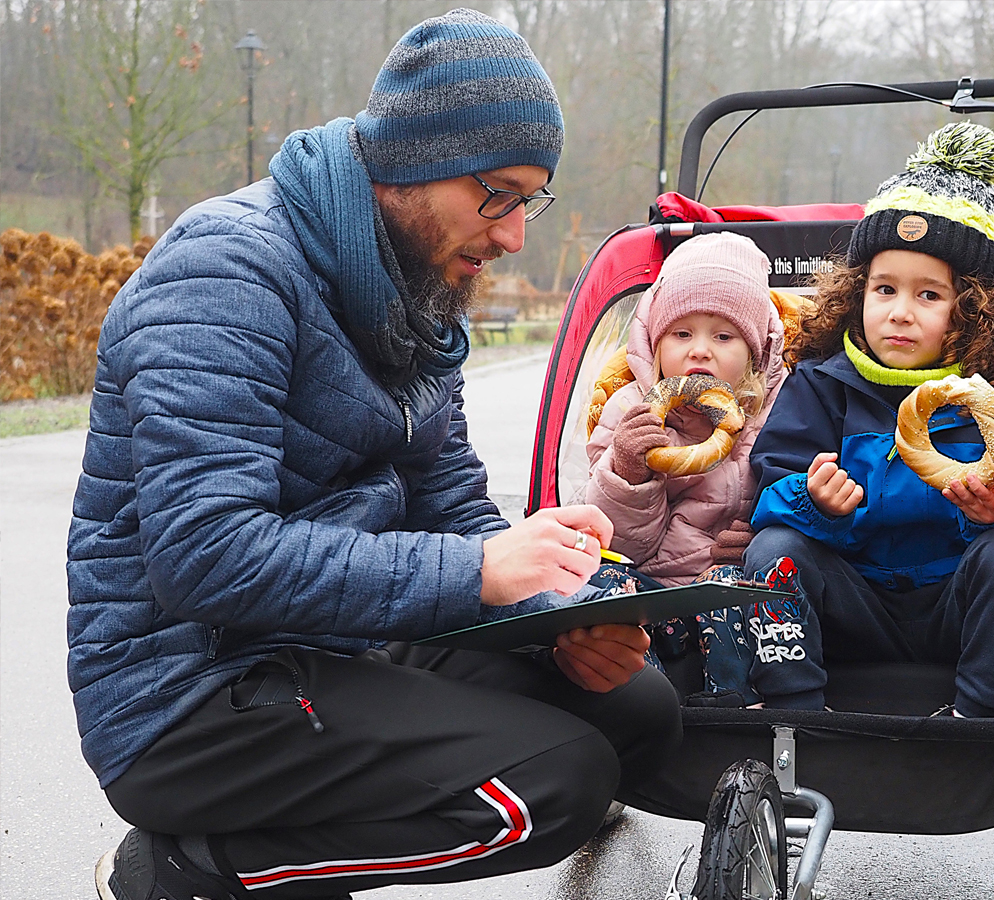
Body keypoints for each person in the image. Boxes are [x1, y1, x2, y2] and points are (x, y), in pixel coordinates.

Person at [68, 10, 681, 900]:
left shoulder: (417, 286)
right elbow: (204, 556)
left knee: (635, 709)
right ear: (412, 163)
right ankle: (191, 867)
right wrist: (477, 571)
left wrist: (561, 610)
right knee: (556, 785)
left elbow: (452, 505)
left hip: (341, 643)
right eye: (497, 193)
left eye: (529, 199)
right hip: (191, 695)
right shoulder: (222, 273)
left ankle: (315, 813)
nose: (514, 235)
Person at [742, 122, 994, 717]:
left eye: (929, 296)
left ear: (974, 307)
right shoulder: (822, 383)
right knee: (774, 550)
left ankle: (981, 718)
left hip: (959, 603)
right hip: (851, 601)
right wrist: (814, 502)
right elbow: (768, 485)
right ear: (858, 292)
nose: (900, 313)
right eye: (884, 289)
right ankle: (795, 713)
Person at [582, 232, 787, 697]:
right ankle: (638, 696)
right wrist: (629, 473)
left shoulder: (774, 413)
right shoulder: (629, 412)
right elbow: (615, 542)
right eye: (681, 334)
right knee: (600, 581)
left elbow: (794, 488)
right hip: (650, 588)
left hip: (727, 589)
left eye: (723, 336)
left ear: (754, 354)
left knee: (743, 585)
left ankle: (732, 706)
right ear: (654, 345)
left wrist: (761, 538)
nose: (699, 350)